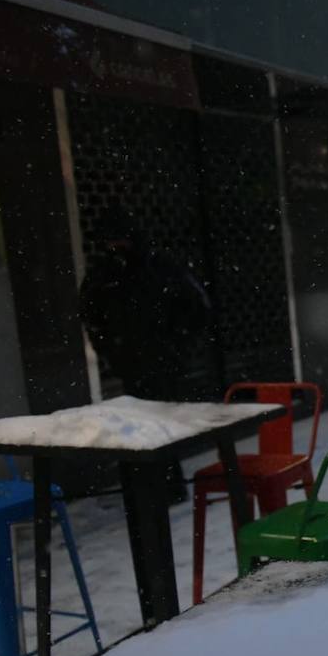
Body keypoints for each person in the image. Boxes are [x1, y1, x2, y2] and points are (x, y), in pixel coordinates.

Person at [79, 204, 214, 501]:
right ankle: (153, 487)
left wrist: (175, 345)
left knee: (160, 425)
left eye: (120, 239)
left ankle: (165, 486)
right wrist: (111, 350)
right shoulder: (108, 275)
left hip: (160, 361)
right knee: (144, 428)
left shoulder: (159, 269)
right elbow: (91, 315)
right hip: (133, 363)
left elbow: (196, 308)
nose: (116, 246)